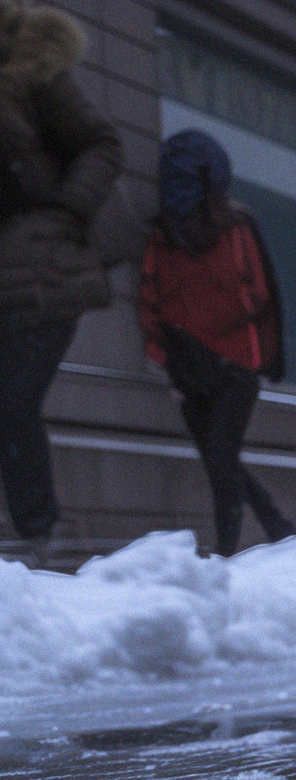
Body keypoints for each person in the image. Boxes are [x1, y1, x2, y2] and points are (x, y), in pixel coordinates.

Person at [0, 0, 121, 564]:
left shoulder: (30, 69)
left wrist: (68, 212)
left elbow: (102, 143)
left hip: (46, 270)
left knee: (14, 403)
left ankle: (40, 537)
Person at [139, 130, 296, 557]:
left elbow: (151, 296)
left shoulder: (166, 235)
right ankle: (277, 527)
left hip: (199, 366)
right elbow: (259, 295)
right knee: (219, 458)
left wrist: (170, 349)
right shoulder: (233, 228)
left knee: (219, 458)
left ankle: (228, 549)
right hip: (224, 364)